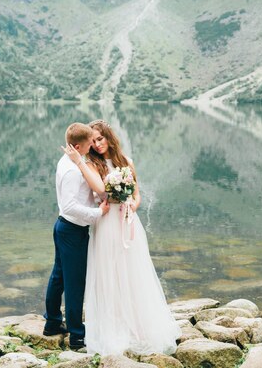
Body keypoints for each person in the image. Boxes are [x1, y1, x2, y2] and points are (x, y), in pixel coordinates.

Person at [63, 119, 181, 356]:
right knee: (110, 271)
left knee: (133, 270)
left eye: (100, 139)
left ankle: (138, 325)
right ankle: (114, 326)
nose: (96, 145)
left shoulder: (127, 162)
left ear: (109, 137)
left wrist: (133, 206)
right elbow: (100, 190)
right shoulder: (92, 164)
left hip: (127, 222)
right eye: (93, 141)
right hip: (106, 224)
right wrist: (80, 162)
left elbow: (137, 194)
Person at [43, 123, 110, 350]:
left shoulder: (69, 161)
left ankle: (52, 322)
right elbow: (71, 206)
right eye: (91, 141)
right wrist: (98, 213)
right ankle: (77, 337)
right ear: (79, 146)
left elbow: (78, 197)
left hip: (63, 227)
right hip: (72, 229)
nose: (94, 144)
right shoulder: (72, 169)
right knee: (75, 284)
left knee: (59, 276)